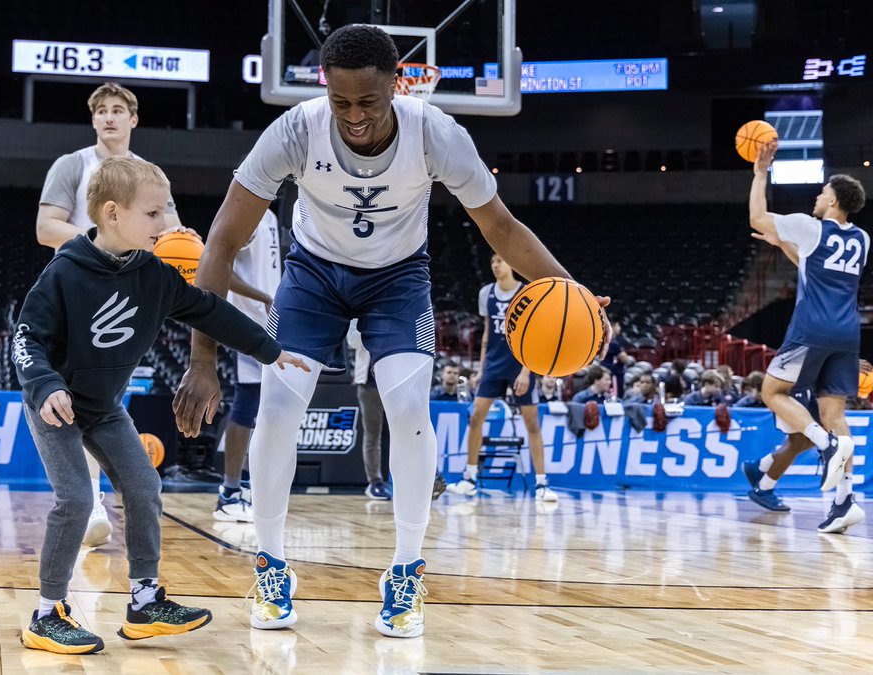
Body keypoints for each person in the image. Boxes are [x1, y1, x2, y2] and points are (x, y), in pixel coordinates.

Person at [171, 25, 605, 638]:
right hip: (313, 275)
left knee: (408, 408)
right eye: (340, 102)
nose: (353, 117)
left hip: (398, 280)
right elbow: (221, 238)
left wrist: (577, 293)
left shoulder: (436, 133)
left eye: (367, 103)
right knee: (275, 409)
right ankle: (271, 566)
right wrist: (202, 357)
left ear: (397, 86)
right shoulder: (295, 130)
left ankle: (405, 573)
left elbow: (503, 229)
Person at [12, 157, 308, 653]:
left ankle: (145, 601)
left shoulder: (155, 275)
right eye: (153, 214)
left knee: (145, 486)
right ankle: (47, 612)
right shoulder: (64, 271)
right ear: (111, 213)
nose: (165, 224)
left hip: (104, 407)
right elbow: (26, 339)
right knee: (77, 501)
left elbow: (212, 313)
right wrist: (44, 386)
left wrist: (272, 350)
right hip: (55, 404)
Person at [34, 82, 269, 547]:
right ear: (93, 119)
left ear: (133, 119)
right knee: (74, 395)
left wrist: (184, 238)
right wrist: (104, 239)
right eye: (100, 110)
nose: (108, 118)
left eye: (117, 110)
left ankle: (106, 502)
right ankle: (92, 505)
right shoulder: (72, 166)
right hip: (80, 288)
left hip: (131, 295)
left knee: (106, 396)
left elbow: (170, 236)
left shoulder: (149, 176)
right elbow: (45, 227)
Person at [749, 140, 867, 510]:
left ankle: (824, 444)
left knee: (771, 392)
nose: (818, 197)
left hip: (812, 328)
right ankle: (845, 502)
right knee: (836, 414)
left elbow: (756, 217)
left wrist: (760, 173)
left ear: (833, 201)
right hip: (848, 334)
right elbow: (813, 266)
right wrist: (781, 244)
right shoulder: (863, 239)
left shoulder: (810, 226)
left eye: (822, 192)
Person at [448, 254, 556, 503]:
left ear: (511, 263)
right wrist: (481, 370)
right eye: (492, 261)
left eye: (499, 260)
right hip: (494, 365)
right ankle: (470, 477)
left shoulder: (527, 292)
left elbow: (537, 335)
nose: (495, 265)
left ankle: (541, 483)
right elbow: (487, 333)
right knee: (476, 418)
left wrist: (527, 372)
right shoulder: (487, 293)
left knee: (532, 425)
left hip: (520, 365)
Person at [215, 208, 283, 522]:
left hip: (270, 324)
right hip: (249, 322)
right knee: (246, 404)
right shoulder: (247, 211)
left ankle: (246, 487)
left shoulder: (268, 215)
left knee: (264, 409)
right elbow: (222, 269)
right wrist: (263, 297)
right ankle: (228, 492)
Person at [348, 321, 392, 500]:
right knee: (372, 434)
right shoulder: (357, 313)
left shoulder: (392, 307)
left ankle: (411, 480)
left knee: (405, 432)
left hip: (394, 380)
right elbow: (352, 341)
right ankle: (375, 482)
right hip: (369, 382)